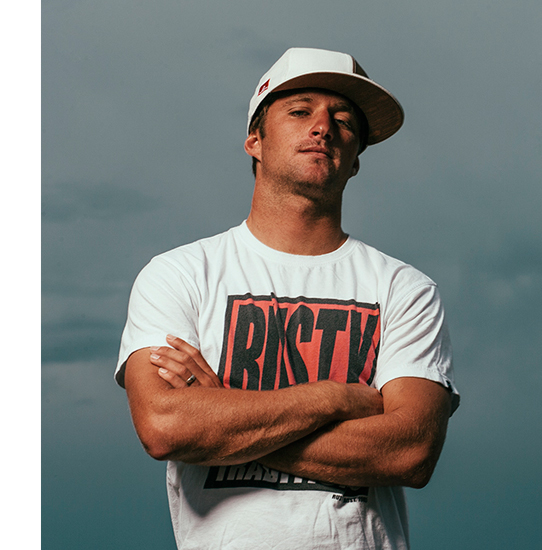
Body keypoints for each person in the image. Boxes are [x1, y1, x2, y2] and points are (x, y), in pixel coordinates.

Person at [115, 47, 459, 550]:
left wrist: (223, 416)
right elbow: (166, 427)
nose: (323, 127)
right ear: (255, 139)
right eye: (300, 111)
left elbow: (410, 452)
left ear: (356, 158)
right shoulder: (179, 274)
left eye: (343, 121)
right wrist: (336, 398)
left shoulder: (404, 289)